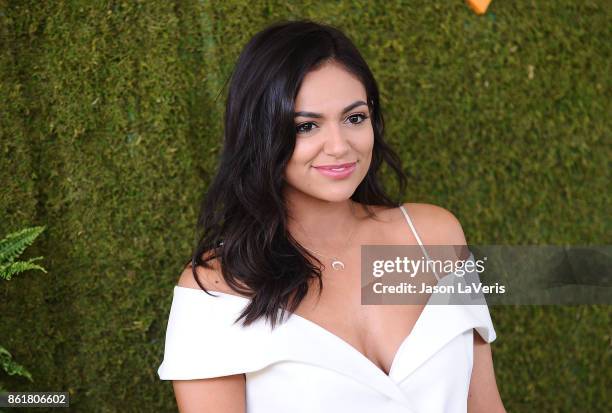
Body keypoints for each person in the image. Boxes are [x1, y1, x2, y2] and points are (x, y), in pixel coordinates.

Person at [157, 19, 505, 413]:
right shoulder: (216, 289)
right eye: (307, 126)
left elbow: (486, 405)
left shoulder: (434, 235)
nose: (339, 146)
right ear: (261, 135)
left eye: (354, 118)